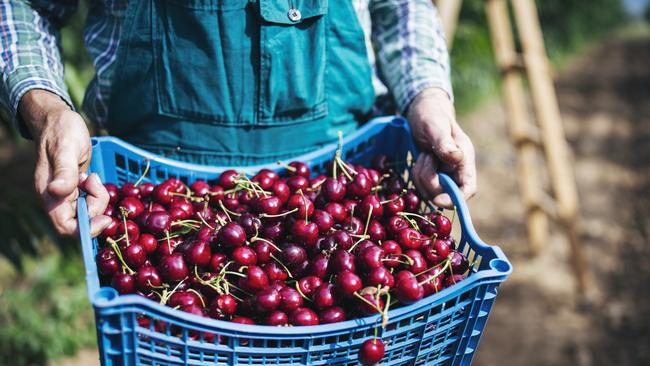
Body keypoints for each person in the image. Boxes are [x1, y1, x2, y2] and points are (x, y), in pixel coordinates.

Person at [0, 0, 476, 238]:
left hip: (344, 184)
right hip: (153, 198)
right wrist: (49, 111)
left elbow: (400, 5)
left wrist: (427, 96)